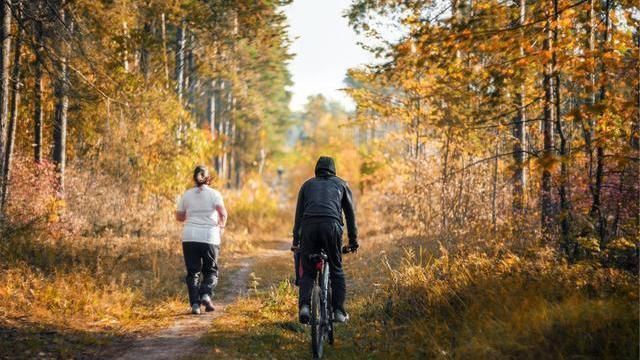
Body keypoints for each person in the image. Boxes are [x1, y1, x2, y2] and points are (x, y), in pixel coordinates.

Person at [292, 156, 359, 324]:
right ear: (333, 169)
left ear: (317, 169)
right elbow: (350, 215)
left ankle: (305, 307)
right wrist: (353, 240)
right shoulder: (342, 184)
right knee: (336, 269)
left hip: (309, 227)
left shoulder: (307, 185)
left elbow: (298, 215)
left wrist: (296, 240)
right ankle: (338, 311)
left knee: (307, 271)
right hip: (331, 227)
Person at [176, 165, 228, 315]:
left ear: (194, 177)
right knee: (211, 271)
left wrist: (192, 215)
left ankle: (195, 305)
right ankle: (205, 294)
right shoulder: (215, 194)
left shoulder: (187, 195)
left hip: (189, 237)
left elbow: (179, 216)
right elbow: (223, 214)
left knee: (193, 273)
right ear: (208, 178)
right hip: (209, 237)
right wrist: (221, 226)